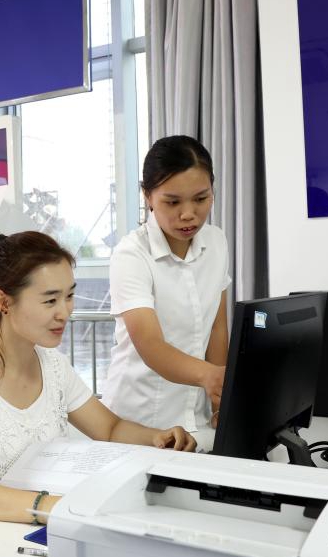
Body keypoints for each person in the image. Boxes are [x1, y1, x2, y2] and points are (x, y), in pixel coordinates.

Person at [0, 231, 196, 554]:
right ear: (4, 302)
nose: (64, 312)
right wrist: (49, 506)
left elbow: (109, 428)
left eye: (69, 296)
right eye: (50, 300)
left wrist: (157, 438)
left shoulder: (52, 365)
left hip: (26, 535)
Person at [101, 135, 231, 451]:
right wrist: (210, 376)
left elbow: (217, 327)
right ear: (147, 196)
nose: (188, 214)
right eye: (172, 202)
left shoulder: (216, 242)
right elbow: (151, 345)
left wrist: (219, 403)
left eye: (201, 198)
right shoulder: (131, 255)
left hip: (196, 421)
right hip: (139, 421)